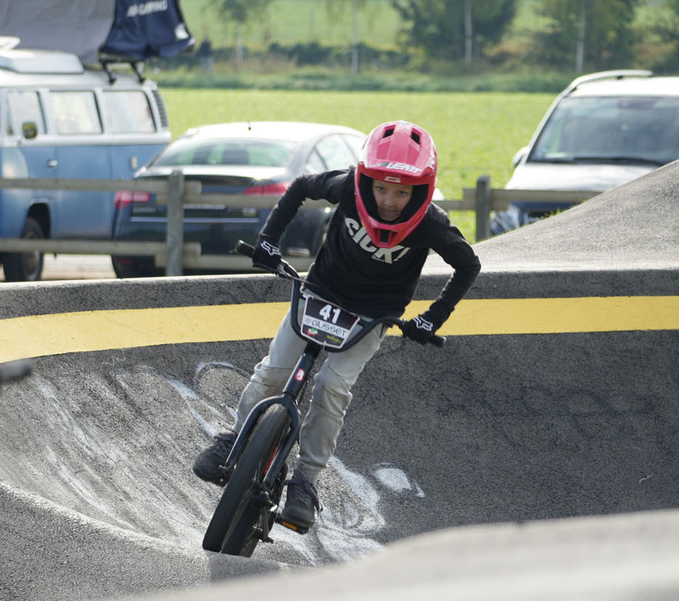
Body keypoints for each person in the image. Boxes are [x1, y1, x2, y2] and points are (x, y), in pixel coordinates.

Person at [194, 120, 481, 531]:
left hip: (372, 315)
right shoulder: (347, 187)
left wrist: (431, 317)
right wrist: (269, 240)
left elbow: (468, 264)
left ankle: (305, 484)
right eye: (381, 188)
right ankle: (233, 439)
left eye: (402, 192)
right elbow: (299, 188)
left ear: (421, 190)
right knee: (273, 372)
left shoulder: (431, 223)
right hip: (319, 292)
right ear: (365, 178)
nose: (389, 200)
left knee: (332, 387)